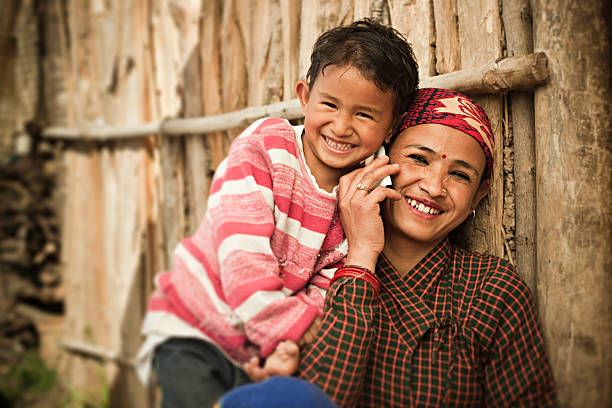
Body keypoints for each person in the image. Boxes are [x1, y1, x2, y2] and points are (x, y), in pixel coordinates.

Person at [136, 19, 419, 408]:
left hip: (261, 346)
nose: (341, 126)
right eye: (330, 104)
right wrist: (293, 334)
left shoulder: (362, 192)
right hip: (196, 327)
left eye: (365, 115)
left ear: (392, 126)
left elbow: (327, 284)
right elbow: (242, 263)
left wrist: (283, 348)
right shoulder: (265, 148)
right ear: (305, 97)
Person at [217, 88, 557, 407]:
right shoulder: (310, 266)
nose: (434, 187)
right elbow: (320, 399)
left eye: (460, 176)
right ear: (377, 159)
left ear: (477, 197)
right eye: (419, 159)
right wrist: (362, 256)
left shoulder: (491, 289)